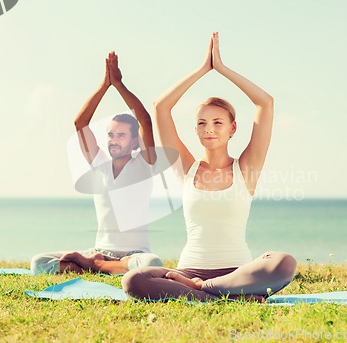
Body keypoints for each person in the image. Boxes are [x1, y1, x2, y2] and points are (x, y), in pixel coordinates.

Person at [122, 33, 296, 301]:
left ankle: (206, 291)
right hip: (189, 270)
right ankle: (231, 298)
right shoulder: (186, 168)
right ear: (196, 129)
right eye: (202, 123)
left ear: (232, 128)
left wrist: (222, 69)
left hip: (236, 273)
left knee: (284, 262)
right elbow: (160, 107)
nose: (209, 129)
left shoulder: (246, 168)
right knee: (133, 279)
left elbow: (265, 103)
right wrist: (203, 69)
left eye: (217, 122)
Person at [31, 51, 163, 275]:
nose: (113, 140)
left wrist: (119, 85)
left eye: (121, 135)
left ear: (134, 142)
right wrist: (104, 85)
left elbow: (145, 121)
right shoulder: (99, 164)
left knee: (152, 264)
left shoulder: (144, 165)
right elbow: (80, 123)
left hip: (135, 255)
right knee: (39, 262)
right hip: (99, 250)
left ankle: (94, 266)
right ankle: (100, 264)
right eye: (111, 135)